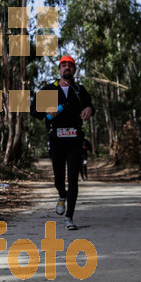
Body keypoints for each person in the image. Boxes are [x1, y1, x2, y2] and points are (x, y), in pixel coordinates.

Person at [30, 55, 94, 231]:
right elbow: (34, 112)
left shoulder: (80, 90)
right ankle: (61, 195)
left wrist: (89, 108)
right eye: (64, 65)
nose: (67, 68)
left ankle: (69, 217)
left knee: (73, 178)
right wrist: (46, 109)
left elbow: (90, 106)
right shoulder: (49, 90)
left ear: (74, 70)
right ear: (59, 69)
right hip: (56, 141)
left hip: (75, 141)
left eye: (70, 66)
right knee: (59, 178)